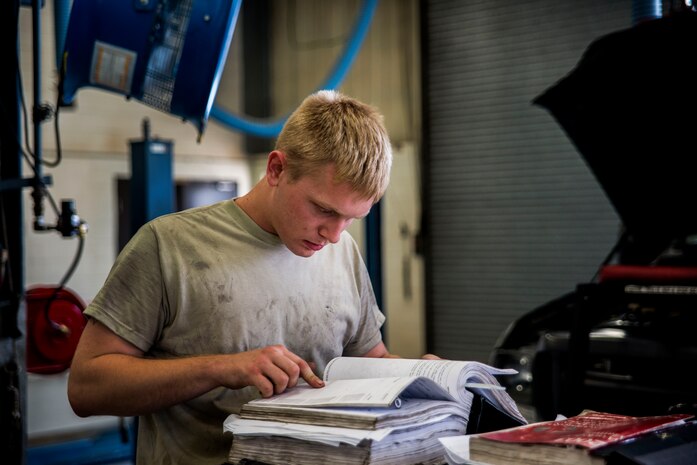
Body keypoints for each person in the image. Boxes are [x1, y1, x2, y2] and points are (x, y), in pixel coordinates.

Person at [68, 90, 397, 465]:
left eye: (352, 218)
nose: (334, 235)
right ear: (276, 169)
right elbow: (86, 388)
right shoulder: (169, 246)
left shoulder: (344, 252)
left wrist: (428, 378)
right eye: (323, 209)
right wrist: (221, 367)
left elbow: (371, 359)